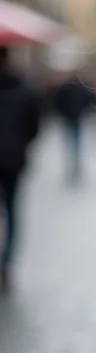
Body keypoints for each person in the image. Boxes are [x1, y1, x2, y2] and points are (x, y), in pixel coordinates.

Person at [0, 46, 40, 292]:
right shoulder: (24, 89)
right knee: (12, 212)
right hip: (14, 160)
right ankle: (6, 263)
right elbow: (33, 128)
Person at [53, 71, 91, 182]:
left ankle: (73, 165)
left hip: (69, 117)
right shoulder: (80, 87)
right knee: (76, 141)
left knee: (71, 141)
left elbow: (57, 102)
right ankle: (75, 165)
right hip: (76, 117)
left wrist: (62, 113)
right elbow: (87, 100)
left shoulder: (65, 88)